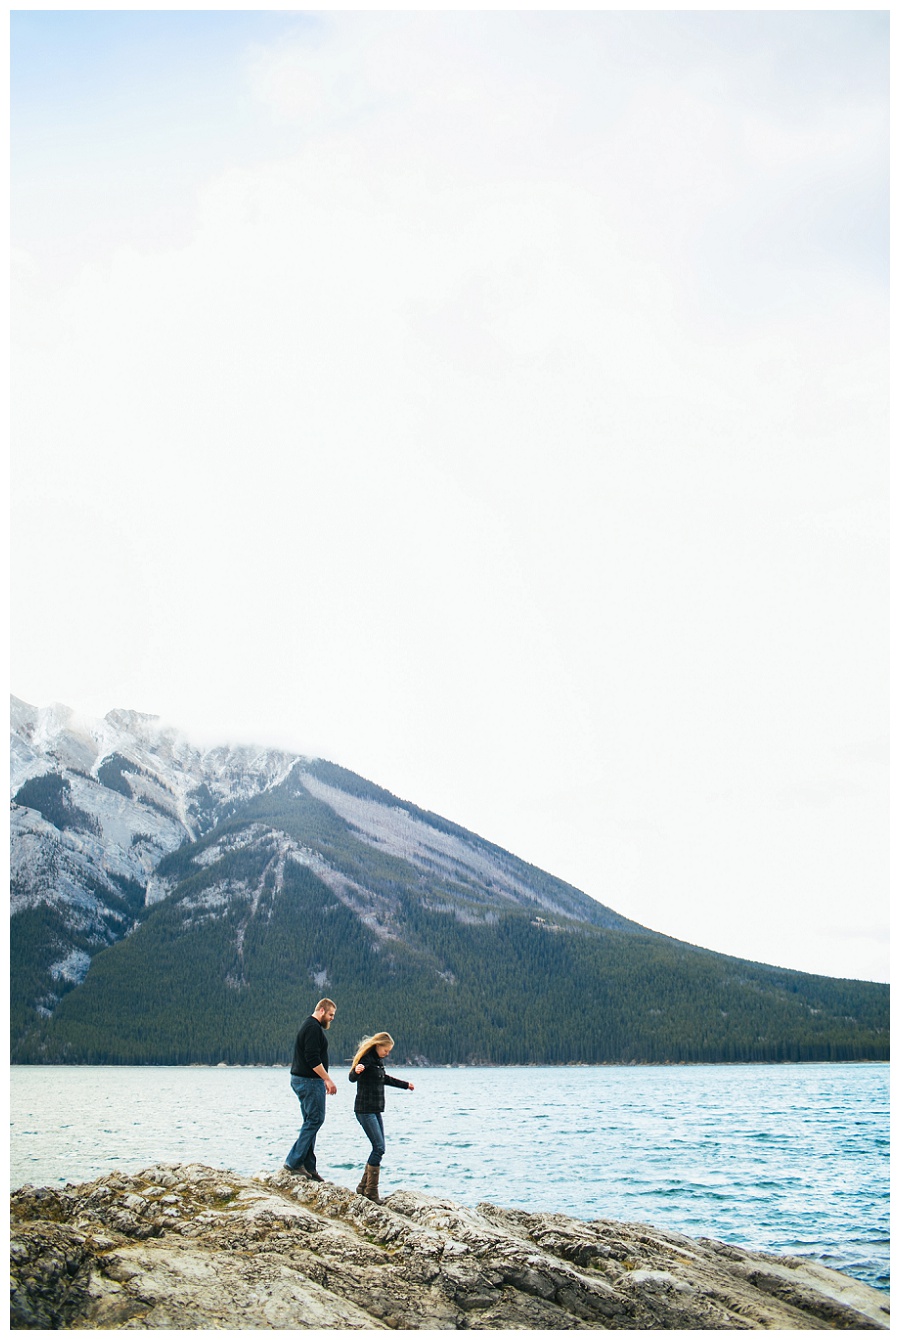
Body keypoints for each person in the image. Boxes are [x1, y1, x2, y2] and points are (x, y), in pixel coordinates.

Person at [348, 1031, 414, 1204]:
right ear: (378, 1045)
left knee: (379, 1147)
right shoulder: (366, 1061)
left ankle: (363, 1188)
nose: (387, 1053)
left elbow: (385, 1079)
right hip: (364, 1110)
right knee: (379, 1148)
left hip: (375, 1109)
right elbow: (352, 1078)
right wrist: (356, 1071)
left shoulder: (377, 1062)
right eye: (386, 1050)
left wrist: (405, 1085)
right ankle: (371, 1192)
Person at [284, 998, 337, 1180]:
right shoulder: (313, 1028)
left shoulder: (310, 1025)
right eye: (330, 1014)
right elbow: (313, 1058)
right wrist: (327, 1079)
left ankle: (309, 1166)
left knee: (311, 1121)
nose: (331, 1019)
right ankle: (293, 1162)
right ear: (321, 1010)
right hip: (308, 1081)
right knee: (315, 1120)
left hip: (304, 1079)